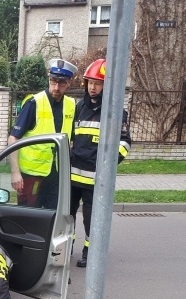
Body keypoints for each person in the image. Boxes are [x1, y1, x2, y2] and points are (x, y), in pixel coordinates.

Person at [70, 58, 132, 267]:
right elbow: (72, 138)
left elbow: (125, 143)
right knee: (68, 215)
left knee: (91, 218)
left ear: (106, 85)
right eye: (90, 83)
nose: (93, 87)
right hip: (72, 175)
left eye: (97, 83)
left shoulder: (114, 112)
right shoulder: (80, 107)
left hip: (94, 177)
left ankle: (90, 251)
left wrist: (107, 166)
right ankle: (67, 246)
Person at [8, 59, 78, 208]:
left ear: (69, 83)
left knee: (52, 217)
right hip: (32, 175)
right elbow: (13, 137)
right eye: (53, 81)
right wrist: (15, 172)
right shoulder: (34, 103)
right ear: (49, 79)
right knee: (28, 219)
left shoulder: (71, 105)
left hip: (57, 175)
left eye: (61, 83)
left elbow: (72, 139)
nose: (56, 87)